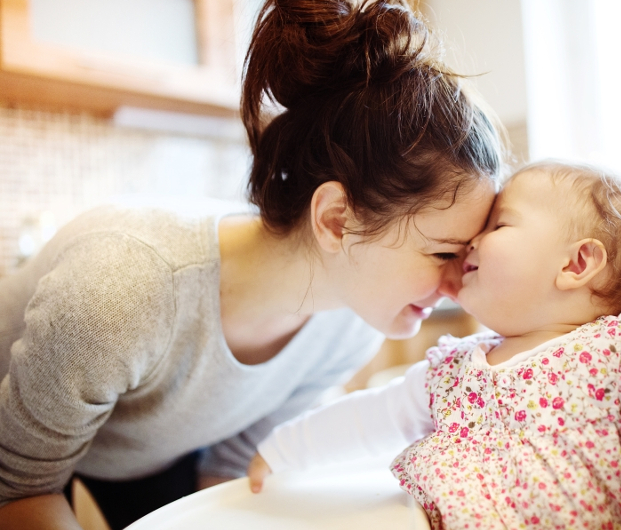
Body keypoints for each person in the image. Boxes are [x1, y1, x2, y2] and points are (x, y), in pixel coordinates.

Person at [0, 1, 505, 528]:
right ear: (336, 220)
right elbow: (18, 488)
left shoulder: (355, 327)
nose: (457, 287)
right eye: (444, 252)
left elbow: (230, 472)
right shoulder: (121, 286)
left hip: (154, 450)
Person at [247, 161, 621, 530]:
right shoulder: (453, 369)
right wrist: (283, 449)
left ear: (575, 265)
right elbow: (369, 417)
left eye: (498, 225)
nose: (470, 244)